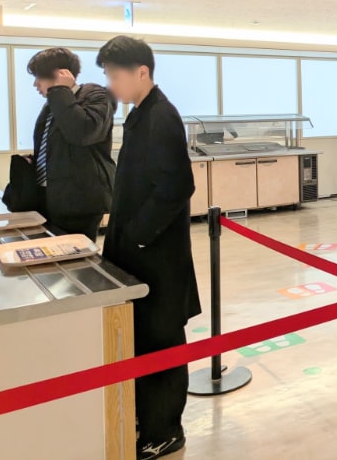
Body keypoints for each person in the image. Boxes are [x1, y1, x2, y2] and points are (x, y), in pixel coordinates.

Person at [96, 36, 200, 460]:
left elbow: (178, 184)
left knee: (162, 342)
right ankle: (148, 420)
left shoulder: (162, 115)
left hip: (157, 257)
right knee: (145, 340)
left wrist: (138, 234)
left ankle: (166, 431)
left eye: (115, 75)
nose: (111, 85)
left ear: (142, 72)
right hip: (138, 254)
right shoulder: (140, 114)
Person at [27, 47, 115, 242]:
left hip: (78, 203)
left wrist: (61, 90)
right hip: (50, 199)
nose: (35, 84)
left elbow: (82, 132)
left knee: (77, 257)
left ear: (60, 74)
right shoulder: (53, 104)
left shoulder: (96, 95)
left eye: (39, 77)